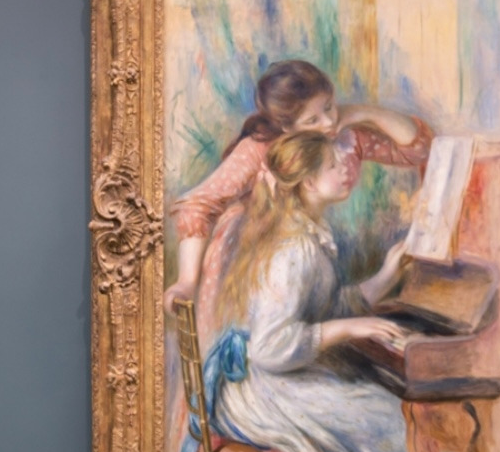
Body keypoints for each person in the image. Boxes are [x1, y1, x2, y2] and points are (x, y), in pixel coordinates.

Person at [204, 131, 426, 452]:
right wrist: (351, 329)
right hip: (262, 389)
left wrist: (386, 274)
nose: (347, 169)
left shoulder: (307, 233)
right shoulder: (293, 250)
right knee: (383, 417)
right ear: (308, 182)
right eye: (333, 165)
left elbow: (327, 308)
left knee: (385, 406)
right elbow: (271, 348)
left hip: (277, 376)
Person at [165, 59, 433, 353]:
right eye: (312, 120)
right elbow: (198, 206)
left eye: (329, 107)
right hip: (247, 259)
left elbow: (419, 149)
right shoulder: (261, 148)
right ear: (286, 127)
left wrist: (361, 112)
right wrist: (187, 281)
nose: (328, 122)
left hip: (302, 255)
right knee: (253, 350)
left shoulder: (340, 135)